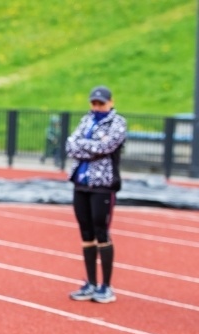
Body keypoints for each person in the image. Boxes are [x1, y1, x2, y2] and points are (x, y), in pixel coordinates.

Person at [65, 85, 127, 303]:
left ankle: (106, 286)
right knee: (86, 233)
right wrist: (91, 147)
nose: (97, 106)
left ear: (110, 102)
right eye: (94, 103)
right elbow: (70, 145)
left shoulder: (118, 123)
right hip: (81, 183)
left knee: (101, 231)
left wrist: (85, 147)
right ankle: (91, 283)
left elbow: (107, 146)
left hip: (103, 184)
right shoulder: (86, 120)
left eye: (101, 103)